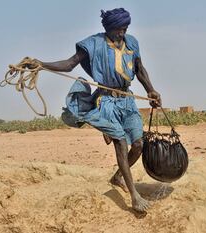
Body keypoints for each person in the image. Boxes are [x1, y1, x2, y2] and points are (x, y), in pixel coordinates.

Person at [34, 8, 161, 212]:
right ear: (108, 28)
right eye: (118, 30)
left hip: (127, 100)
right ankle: (134, 196)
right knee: (120, 142)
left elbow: (139, 69)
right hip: (106, 102)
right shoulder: (93, 43)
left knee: (138, 144)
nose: (122, 33)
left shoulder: (132, 43)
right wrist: (41, 64)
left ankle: (118, 176)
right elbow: (69, 64)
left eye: (125, 29)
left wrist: (151, 90)